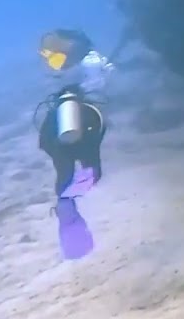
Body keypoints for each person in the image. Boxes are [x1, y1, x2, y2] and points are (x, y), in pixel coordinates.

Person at [35, 79, 107, 260]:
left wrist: (58, 155)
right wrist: (90, 156)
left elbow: (44, 142)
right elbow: (100, 127)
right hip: (87, 144)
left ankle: (74, 244)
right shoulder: (89, 110)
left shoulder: (53, 115)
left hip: (59, 148)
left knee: (64, 190)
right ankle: (82, 241)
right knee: (92, 174)